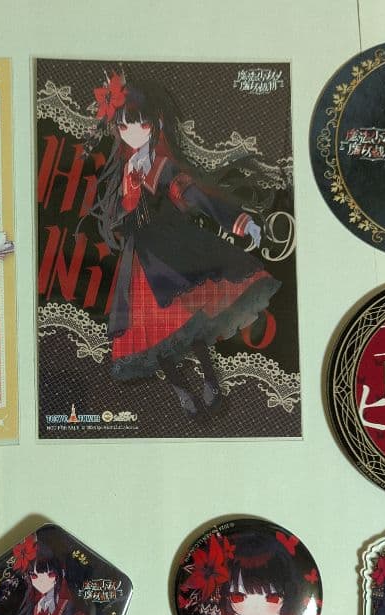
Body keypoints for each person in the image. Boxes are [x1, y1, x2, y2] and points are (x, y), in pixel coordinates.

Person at [86, 73, 280, 416]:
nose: (133, 132)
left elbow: (197, 196)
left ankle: (210, 381)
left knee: (189, 323)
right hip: (140, 264)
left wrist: (241, 221)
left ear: (157, 124)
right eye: (124, 125)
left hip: (172, 254)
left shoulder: (163, 166)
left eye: (141, 124)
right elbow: (121, 211)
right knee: (152, 331)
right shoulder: (125, 169)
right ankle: (180, 391)